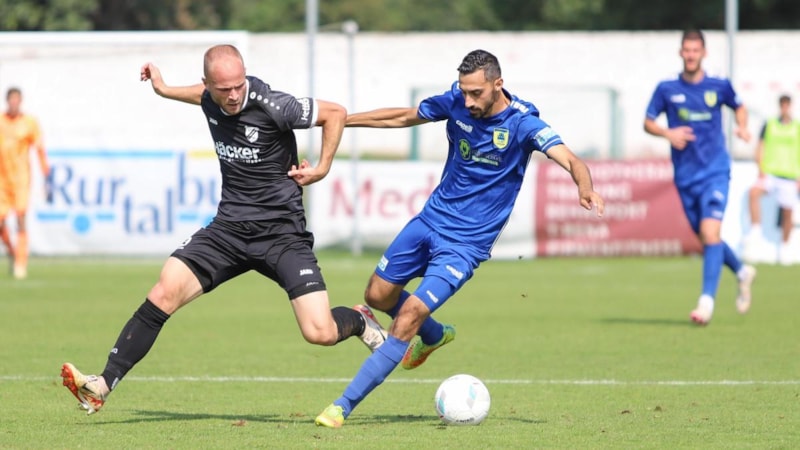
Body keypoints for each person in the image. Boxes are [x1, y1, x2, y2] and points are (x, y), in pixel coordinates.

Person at [60, 44, 388, 415]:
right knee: (164, 290)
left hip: (281, 236)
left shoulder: (275, 105)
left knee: (320, 332)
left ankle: (360, 321)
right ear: (208, 85)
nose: (233, 95)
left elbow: (335, 113)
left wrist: (323, 167)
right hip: (227, 231)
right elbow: (199, 95)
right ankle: (102, 385)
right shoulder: (209, 98)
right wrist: (164, 89)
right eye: (223, 89)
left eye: (238, 86)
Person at [314, 49, 605, 428]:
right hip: (428, 222)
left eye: (476, 93)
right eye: (464, 91)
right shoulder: (456, 101)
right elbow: (403, 116)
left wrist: (585, 187)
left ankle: (341, 407)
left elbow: (570, 159)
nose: (467, 101)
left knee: (409, 314)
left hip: (465, 246)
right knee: (377, 295)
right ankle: (434, 336)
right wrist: (344, 120)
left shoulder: (523, 124)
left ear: (498, 84)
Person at [644, 29, 757, 325]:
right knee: (708, 238)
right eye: (687, 50)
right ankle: (742, 271)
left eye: (696, 50)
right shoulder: (667, 88)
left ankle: (706, 302)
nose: (691, 55)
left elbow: (739, 106)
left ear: (703, 53)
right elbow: (648, 122)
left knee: (710, 232)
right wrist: (667, 133)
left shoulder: (719, 84)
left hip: (715, 171)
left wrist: (742, 126)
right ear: (681, 52)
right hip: (685, 176)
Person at [743, 94, 800, 265]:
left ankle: (785, 247)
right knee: (753, 193)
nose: (785, 108)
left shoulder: (797, 127)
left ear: (790, 106)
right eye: (782, 105)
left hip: (789, 176)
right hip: (771, 173)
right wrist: (760, 168)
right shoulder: (770, 124)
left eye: (787, 105)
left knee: (788, 212)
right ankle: (755, 230)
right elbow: (760, 146)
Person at [0, 87, 49, 280]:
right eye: (11, 99)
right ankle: (12, 252)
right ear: (7, 101)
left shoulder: (29, 123)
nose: (14, 103)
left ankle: (21, 263)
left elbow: (39, 148)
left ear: (20, 101)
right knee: (1, 222)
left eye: (16, 99)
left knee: (21, 218)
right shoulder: (1, 121)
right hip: (2, 180)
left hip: (21, 179)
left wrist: (46, 173)